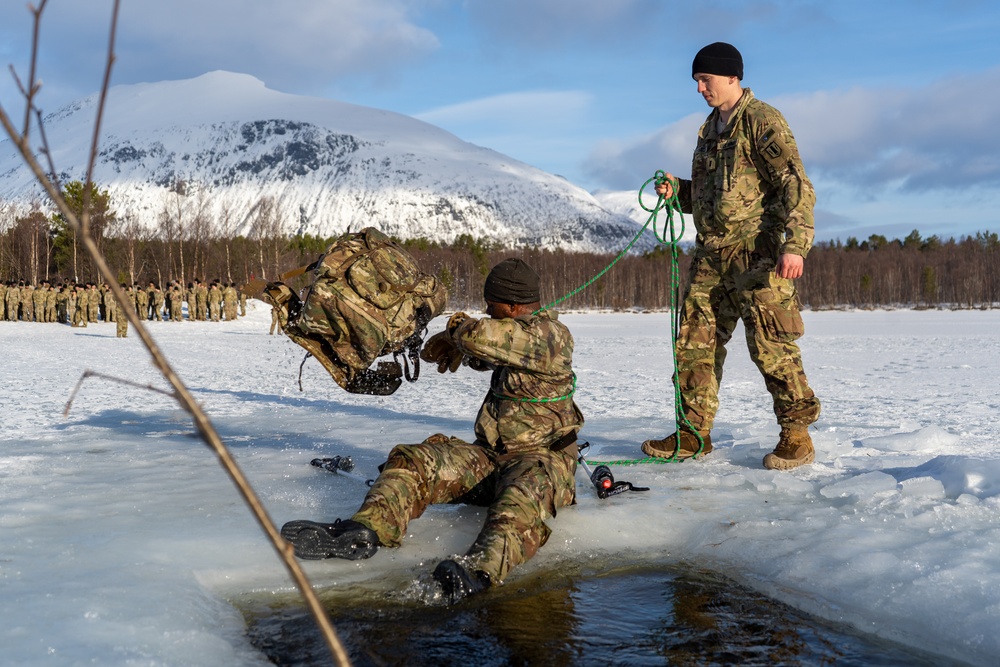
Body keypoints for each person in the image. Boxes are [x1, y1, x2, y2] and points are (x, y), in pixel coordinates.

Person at [281, 258, 584, 602]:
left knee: (515, 507)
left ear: (513, 306)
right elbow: (489, 350)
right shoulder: (517, 338)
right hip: (491, 457)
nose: (486, 309)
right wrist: (461, 350)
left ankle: (478, 574)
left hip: (542, 462)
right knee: (414, 460)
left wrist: (454, 330)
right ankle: (366, 528)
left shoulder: (551, 336)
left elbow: (481, 334)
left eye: (492, 304)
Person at [641, 42, 820, 471]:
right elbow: (712, 196)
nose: (700, 89)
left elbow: (795, 185)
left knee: (772, 346)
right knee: (694, 346)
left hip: (757, 254)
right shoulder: (709, 130)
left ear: (732, 77)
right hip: (710, 257)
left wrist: (795, 245)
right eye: (697, 82)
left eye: (706, 80)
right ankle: (693, 433)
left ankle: (796, 436)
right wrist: (678, 191)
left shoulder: (762, 121)